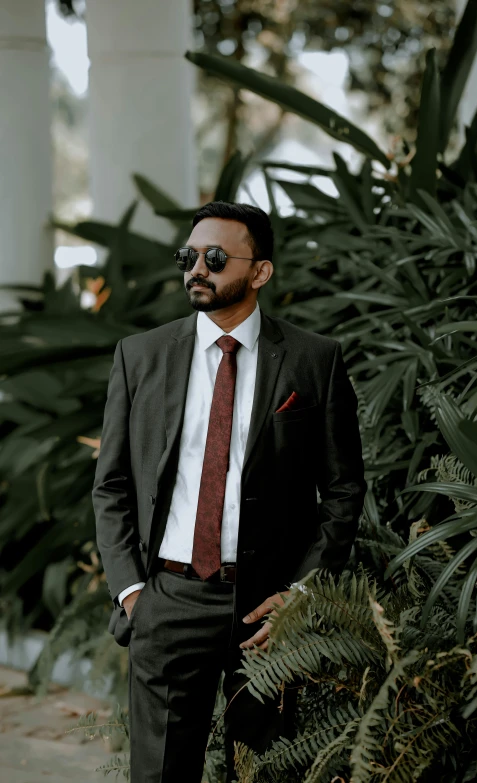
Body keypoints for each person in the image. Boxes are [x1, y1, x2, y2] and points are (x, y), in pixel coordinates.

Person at [93, 200, 367, 782]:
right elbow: (111, 484)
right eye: (188, 257)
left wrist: (302, 592)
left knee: (268, 770)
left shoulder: (314, 361)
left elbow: (342, 490)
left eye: (215, 258)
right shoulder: (139, 357)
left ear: (260, 272)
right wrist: (132, 591)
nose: (198, 269)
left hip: (267, 609)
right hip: (168, 599)